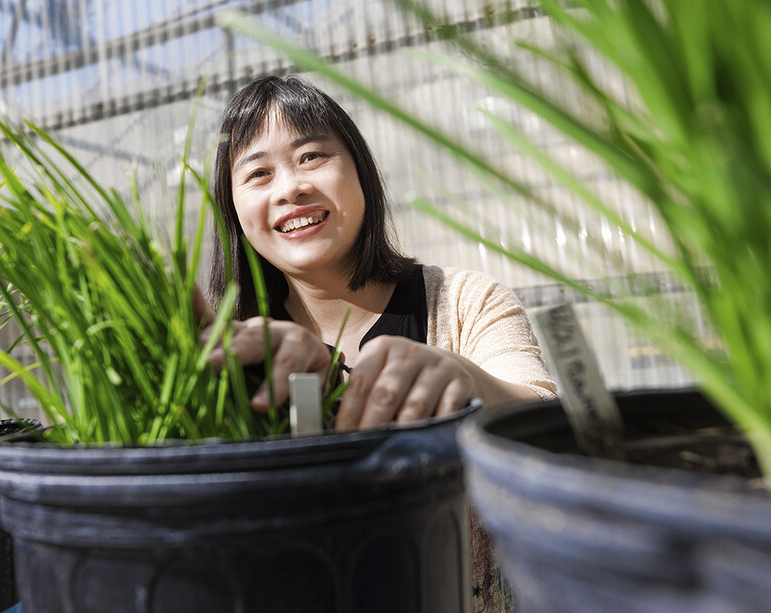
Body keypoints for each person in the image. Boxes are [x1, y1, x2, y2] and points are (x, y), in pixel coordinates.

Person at [201, 74, 555, 430]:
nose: (290, 189)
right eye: (259, 173)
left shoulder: (466, 302)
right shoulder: (227, 348)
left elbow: (546, 415)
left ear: (360, 171)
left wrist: (464, 377)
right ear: (232, 210)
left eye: (310, 156)